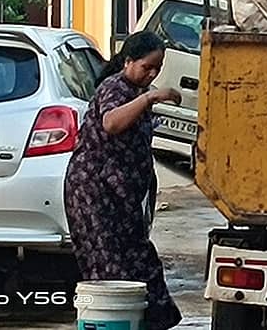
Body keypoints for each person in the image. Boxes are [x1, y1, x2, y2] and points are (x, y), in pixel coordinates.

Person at [65, 31, 183, 330]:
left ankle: (151, 323)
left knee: (143, 262)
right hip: (95, 195)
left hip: (123, 199)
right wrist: (149, 97)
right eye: (147, 67)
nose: (152, 74)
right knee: (109, 271)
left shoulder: (134, 92)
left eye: (157, 68)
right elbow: (112, 122)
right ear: (128, 61)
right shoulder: (114, 87)